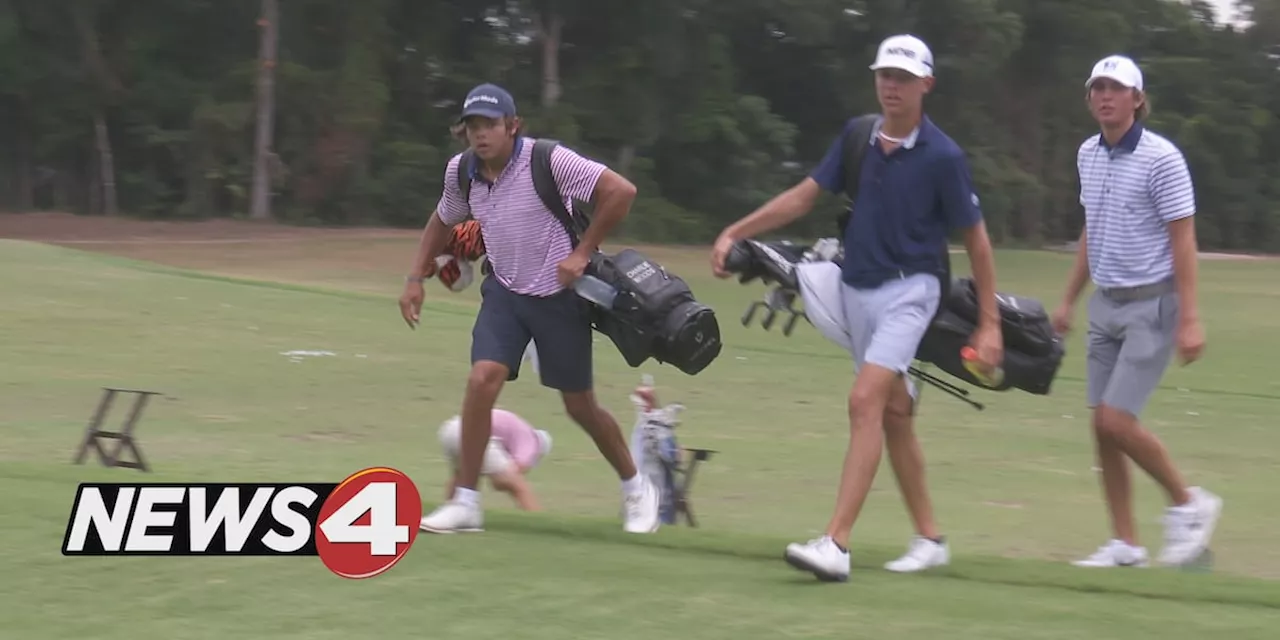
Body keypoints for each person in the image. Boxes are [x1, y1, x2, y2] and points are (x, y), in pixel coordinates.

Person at [710, 34, 1004, 582]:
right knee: (894, 414)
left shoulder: (944, 156)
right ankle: (930, 537)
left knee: (864, 400)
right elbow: (805, 195)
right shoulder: (858, 136)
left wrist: (990, 324)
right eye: (885, 75)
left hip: (912, 292)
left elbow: (978, 241)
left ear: (926, 85)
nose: (891, 85)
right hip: (856, 289)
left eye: (903, 77)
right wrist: (737, 229)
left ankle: (836, 544)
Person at [399, 83, 662, 535]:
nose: (480, 135)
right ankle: (466, 502)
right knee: (482, 379)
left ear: (512, 126)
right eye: (472, 127)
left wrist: (582, 252)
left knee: (580, 407)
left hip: (559, 297)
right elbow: (442, 219)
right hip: (504, 293)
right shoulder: (461, 171)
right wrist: (415, 277)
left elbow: (620, 191)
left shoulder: (548, 160)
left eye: (490, 126)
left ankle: (637, 487)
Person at [1051, 54, 1221, 568]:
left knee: (1116, 420)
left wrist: (1190, 317)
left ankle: (1190, 503)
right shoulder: (1087, 153)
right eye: (1097, 87)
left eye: (1116, 88)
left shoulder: (1162, 158)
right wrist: (1068, 298)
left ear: (1136, 99)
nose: (1105, 96)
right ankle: (1125, 542)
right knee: (1101, 426)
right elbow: (1092, 228)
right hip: (1107, 303)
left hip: (1154, 304)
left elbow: (1183, 238)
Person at [437, 409, 553, 513]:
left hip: (450, 429)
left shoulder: (517, 430)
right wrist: (506, 479)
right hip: (468, 433)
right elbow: (511, 474)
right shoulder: (531, 442)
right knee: (519, 486)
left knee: (460, 478)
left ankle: (450, 513)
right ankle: (538, 517)